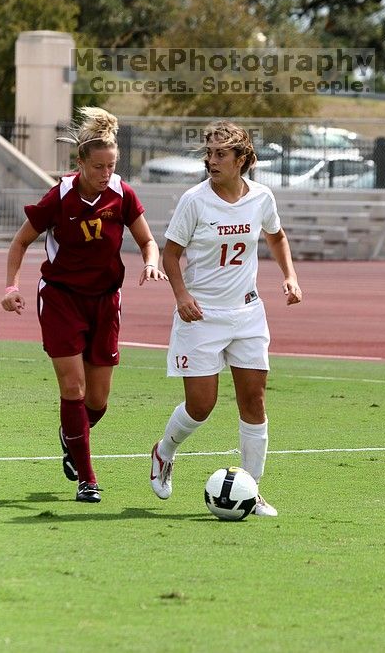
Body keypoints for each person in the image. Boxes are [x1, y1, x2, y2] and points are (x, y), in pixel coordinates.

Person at [1, 107, 167, 503]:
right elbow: (20, 242)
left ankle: (71, 435)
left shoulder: (122, 194)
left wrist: (150, 263)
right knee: (72, 388)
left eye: (111, 165)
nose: (105, 173)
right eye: (98, 167)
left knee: (98, 400)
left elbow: (147, 240)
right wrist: (11, 286)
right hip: (60, 299)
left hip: (106, 302)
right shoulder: (58, 197)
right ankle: (87, 479)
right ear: (80, 163)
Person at [150, 120, 302, 516]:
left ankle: (251, 492)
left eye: (221, 154)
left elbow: (276, 236)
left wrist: (289, 277)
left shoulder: (262, 197)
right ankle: (164, 452)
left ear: (242, 160)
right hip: (200, 315)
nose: (211, 161)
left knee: (254, 401)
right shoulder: (195, 201)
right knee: (201, 405)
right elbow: (170, 254)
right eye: (209, 153)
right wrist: (181, 295)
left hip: (248, 313)